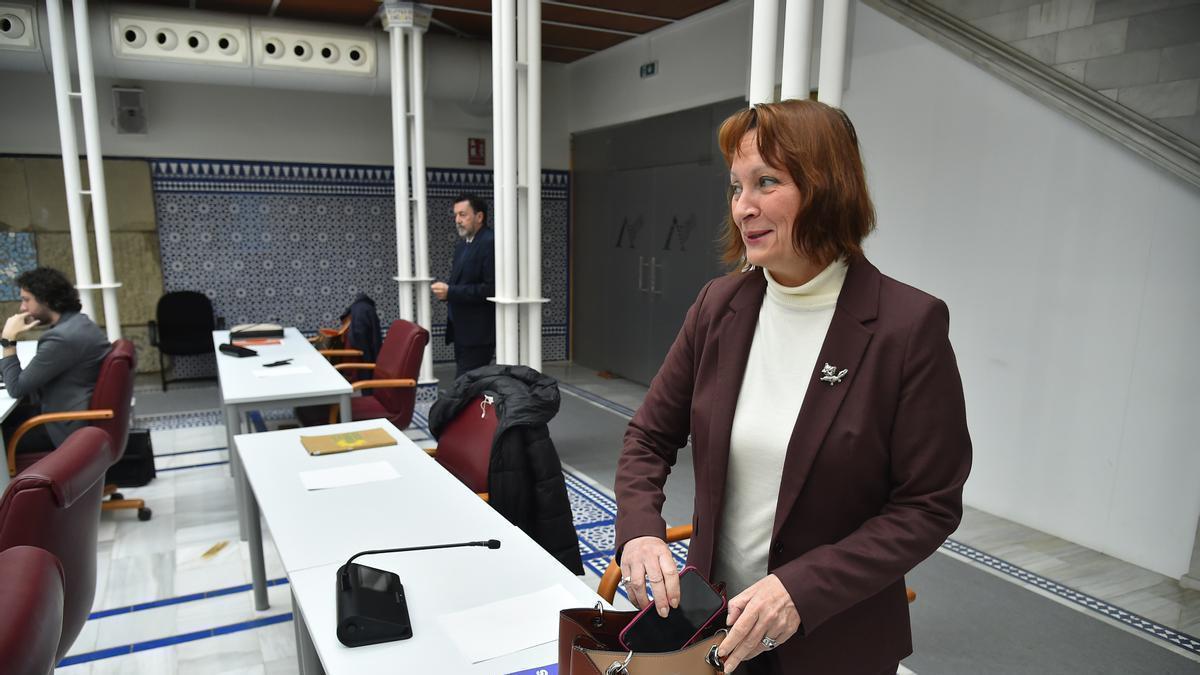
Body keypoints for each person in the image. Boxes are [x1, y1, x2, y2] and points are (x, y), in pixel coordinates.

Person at [613, 100, 972, 674]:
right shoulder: (718, 306)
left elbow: (927, 505)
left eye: (766, 182)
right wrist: (639, 533)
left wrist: (801, 589)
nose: (743, 207)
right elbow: (648, 437)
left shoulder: (907, 327)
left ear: (827, 188)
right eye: (736, 187)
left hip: (832, 642)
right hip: (715, 627)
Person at [1, 267, 111, 451]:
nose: (22, 308)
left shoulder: (61, 338)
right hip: (72, 417)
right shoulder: (78, 323)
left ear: (45, 299)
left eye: (26, 300)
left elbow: (16, 388)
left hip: (63, 430)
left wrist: (8, 340)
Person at [432, 193, 496, 379]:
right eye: (456, 215)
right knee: (469, 385)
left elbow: (491, 289)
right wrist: (448, 292)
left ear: (479, 216)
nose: (457, 220)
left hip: (479, 334)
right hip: (462, 330)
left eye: (463, 214)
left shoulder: (490, 242)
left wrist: (450, 292)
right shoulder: (463, 245)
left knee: (464, 385)